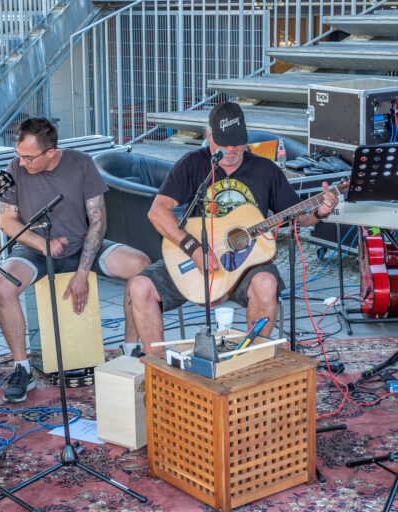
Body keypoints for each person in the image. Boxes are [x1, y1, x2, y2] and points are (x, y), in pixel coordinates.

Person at [127, 101, 339, 352]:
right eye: (224, 143)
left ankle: (252, 360)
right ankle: (160, 369)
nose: (232, 149)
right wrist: (193, 249)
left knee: (266, 284)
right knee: (140, 287)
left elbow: (299, 217)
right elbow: (157, 212)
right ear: (209, 137)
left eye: (238, 142)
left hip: (247, 267)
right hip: (196, 261)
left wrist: (320, 211)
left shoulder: (265, 170)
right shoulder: (192, 164)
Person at [0, 118, 151, 403]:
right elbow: (6, 219)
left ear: (50, 152)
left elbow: (98, 222)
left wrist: (82, 273)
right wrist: (44, 243)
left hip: (82, 245)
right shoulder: (15, 168)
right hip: (35, 248)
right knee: (3, 283)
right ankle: (22, 368)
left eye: (28, 157)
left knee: (140, 265)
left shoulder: (82, 164)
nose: (21, 162)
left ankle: (131, 351)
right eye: (19, 154)